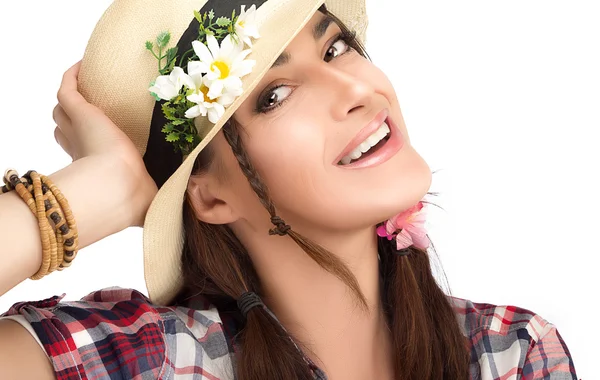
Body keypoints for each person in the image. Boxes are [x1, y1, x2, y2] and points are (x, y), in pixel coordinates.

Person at [0, 0, 579, 379]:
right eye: (274, 95)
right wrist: (91, 195)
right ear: (210, 196)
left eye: (336, 48)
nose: (355, 88)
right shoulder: (164, 362)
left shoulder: (511, 355)